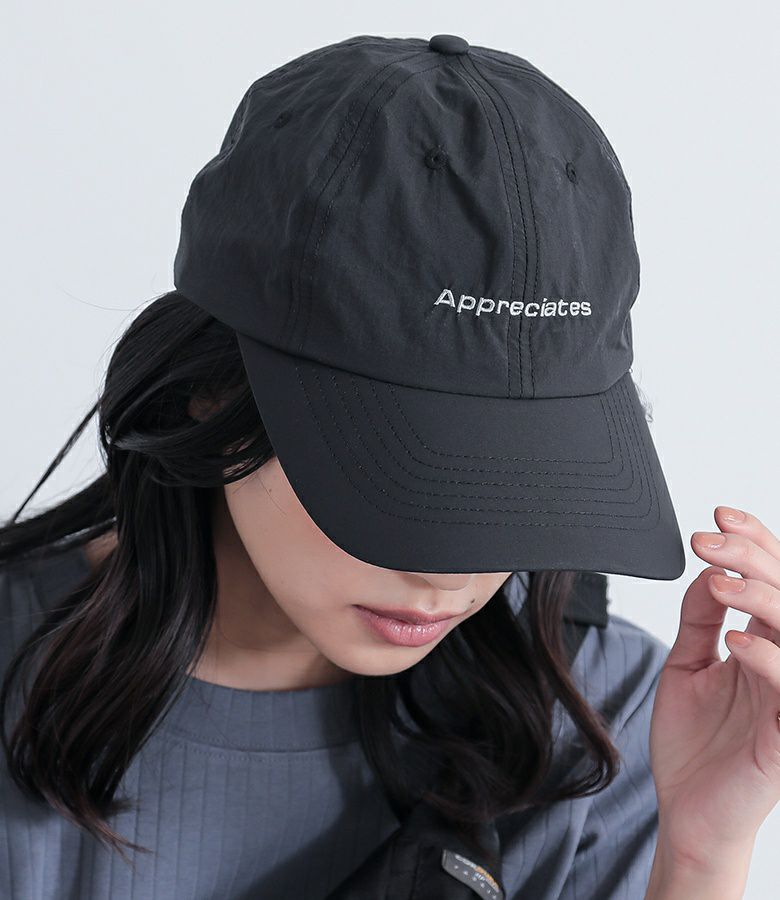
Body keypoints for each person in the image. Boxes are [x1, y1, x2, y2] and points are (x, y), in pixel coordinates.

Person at [2, 33, 779, 900]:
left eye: (519, 484)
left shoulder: (607, 711)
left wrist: (702, 855)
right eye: (403, 481)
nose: (452, 576)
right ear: (211, 401)